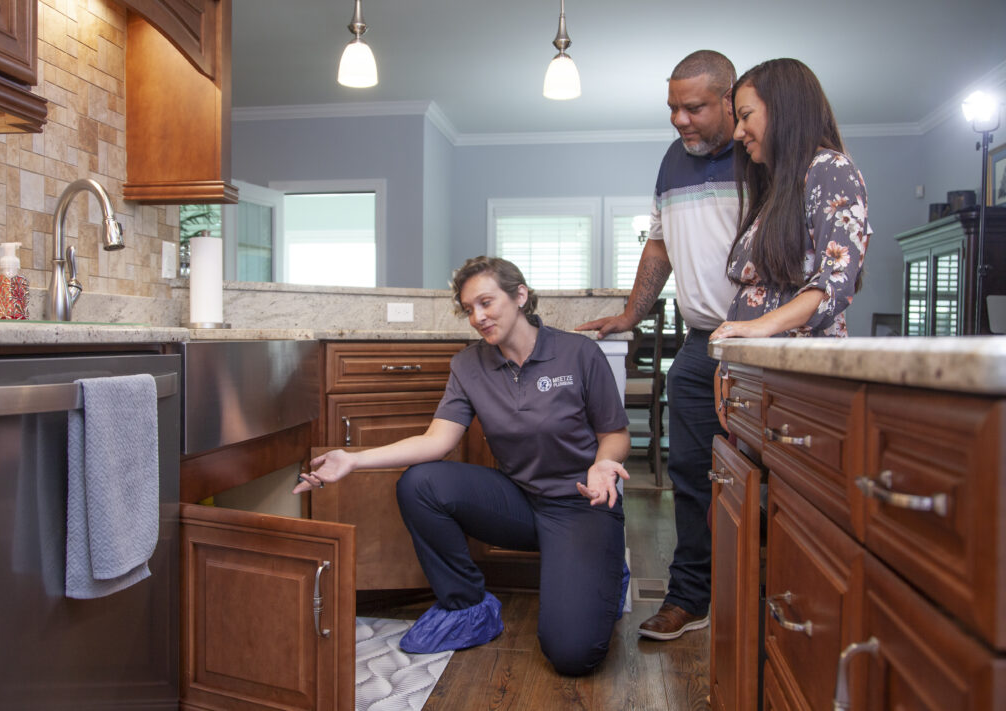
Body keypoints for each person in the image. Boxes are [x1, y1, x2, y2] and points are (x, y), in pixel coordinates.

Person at [294, 256, 631, 676]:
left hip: (582, 504)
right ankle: (468, 605)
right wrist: (354, 459)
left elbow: (616, 433)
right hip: (521, 501)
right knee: (421, 484)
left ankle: (608, 570)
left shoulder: (577, 352)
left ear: (520, 295)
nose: (478, 317)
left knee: (572, 654)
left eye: (487, 303)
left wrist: (603, 464)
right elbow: (437, 440)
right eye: (469, 309)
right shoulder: (469, 365)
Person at [577, 49, 738, 642]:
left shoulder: (760, 155)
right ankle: (691, 598)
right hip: (700, 346)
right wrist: (630, 314)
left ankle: (775, 600)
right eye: (672, 107)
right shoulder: (673, 161)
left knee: (776, 479)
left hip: (762, 346)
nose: (679, 120)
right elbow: (661, 246)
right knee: (689, 474)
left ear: (729, 100)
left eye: (692, 107)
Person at [708, 57, 870, 349]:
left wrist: (759, 326)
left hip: (796, 365)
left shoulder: (830, 168)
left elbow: (836, 282)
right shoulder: (778, 187)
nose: (737, 133)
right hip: (756, 369)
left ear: (784, 111)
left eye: (746, 116)